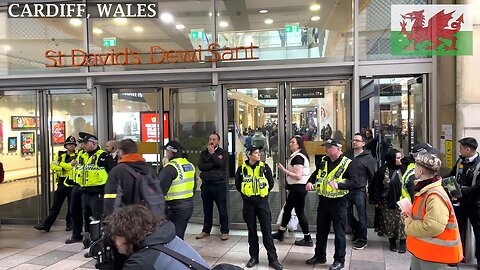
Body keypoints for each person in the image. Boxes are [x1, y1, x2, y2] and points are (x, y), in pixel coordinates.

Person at [403, 153, 463, 269]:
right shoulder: (426, 190)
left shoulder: (434, 195)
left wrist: (408, 223)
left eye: (415, 166)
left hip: (435, 257)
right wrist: (409, 215)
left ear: (420, 171)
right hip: (424, 252)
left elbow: (433, 227)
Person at [104, 205, 210, 270]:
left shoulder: (142, 262)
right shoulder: (166, 237)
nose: (114, 241)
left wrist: (106, 265)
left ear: (127, 234)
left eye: (115, 235)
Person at [305, 139, 357, 270]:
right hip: (323, 201)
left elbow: (354, 183)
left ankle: (339, 260)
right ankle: (319, 255)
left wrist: (339, 185)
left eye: (329, 147)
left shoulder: (348, 164)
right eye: (326, 147)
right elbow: (315, 174)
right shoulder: (324, 161)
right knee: (321, 230)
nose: (326, 149)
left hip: (339, 202)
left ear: (338, 148)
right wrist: (310, 182)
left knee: (339, 233)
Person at [235, 145, 283, 270]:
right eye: (256, 153)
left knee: (267, 232)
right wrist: (247, 196)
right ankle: (254, 257)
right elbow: (238, 185)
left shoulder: (265, 168)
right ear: (249, 155)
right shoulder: (241, 169)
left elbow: (270, 184)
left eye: (259, 152)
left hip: (262, 204)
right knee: (252, 232)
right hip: (248, 204)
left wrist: (263, 195)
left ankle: (273, 259)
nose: (259, 154)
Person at [66, 133, 115, 244]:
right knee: (86, 217)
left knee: (97, 218)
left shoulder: (103, 157)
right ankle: (88, 240)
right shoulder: (81, 155)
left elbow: (113, 175)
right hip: (83, 191)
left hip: (97, 193)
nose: (82, 146)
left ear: (94, 143)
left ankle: (98, 242)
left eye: (85, 143)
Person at [272, 136, 312, 246]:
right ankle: (281, 232)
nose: (290, 144)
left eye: (293, 142)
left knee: (297, 211)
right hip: (297, 188)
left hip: (298, 188)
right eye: (290, 142)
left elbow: (298, 176)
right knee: (289, 209)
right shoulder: (297, 156)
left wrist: (284, 170)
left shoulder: (298, 157)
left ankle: (307, 237)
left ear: (298, 145)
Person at [35, 135, 77, 232]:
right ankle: (46, 225)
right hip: (61, 183)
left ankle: (69, 224)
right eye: (69, 144)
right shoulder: (59, 154)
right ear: (65, 146)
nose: (71, 146)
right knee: (55, 206)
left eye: (73, 144)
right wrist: (65, 166)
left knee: (72, 207)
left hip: (72, 184)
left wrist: (61, 164)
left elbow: (74, 167)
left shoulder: (78, 155)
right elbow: (53, 166)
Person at [449, 137, 480, 268]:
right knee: (456, 230)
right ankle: (455, 256)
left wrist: (461, 190)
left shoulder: (479, 164)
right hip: (459, 202)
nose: (459, 150)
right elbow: (452, 175)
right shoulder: (461, 160)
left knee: (478, 232)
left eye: (461, 148)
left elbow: (478, 187)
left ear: (468, 149)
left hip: (475, 204)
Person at [371, 149, 406, 253]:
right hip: (388, 202)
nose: (400, 160)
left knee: (403, 223)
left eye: (401, 157)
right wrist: (376, 201)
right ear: (391, 159)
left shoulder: (404, 169)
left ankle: (403, 242)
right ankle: (392, 242)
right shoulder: (382, 171)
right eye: (398, 158)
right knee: (390, 223)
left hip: (402, 202)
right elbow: (376, 186)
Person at [158, 141, 195, 240]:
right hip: (188, 206)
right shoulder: (189, 165)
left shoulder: (170, 167)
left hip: (174, 208)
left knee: (172, 238)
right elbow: (194, 187)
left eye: (166, 151)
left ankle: (175, 255)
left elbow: (160, 191)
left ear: (170, 152)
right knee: (179, 235)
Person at [344, 133, 375, 250]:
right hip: (346, 188)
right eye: (353, 140)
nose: (354, 142)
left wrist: (371, 191)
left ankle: (363, 239)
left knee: (362, 215)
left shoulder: (368, 157)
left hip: (359, 190)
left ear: (363, 143)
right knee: (345, 213)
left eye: (357, 140)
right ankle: (357, 230)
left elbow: (372, 175)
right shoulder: (347, 154)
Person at [196, 133, 229, 241]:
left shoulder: (223, 153)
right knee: (207, 209)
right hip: (206, 185)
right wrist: (214, 160)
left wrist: (212, 154)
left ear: (218, 141)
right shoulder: (203, 153)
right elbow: (201, 166)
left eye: (214, 139)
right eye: (210, 139)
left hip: (219, 185)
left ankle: (224, 231)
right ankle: (206, 230)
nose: (211, 141)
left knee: (222, 209)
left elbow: (220, 164)